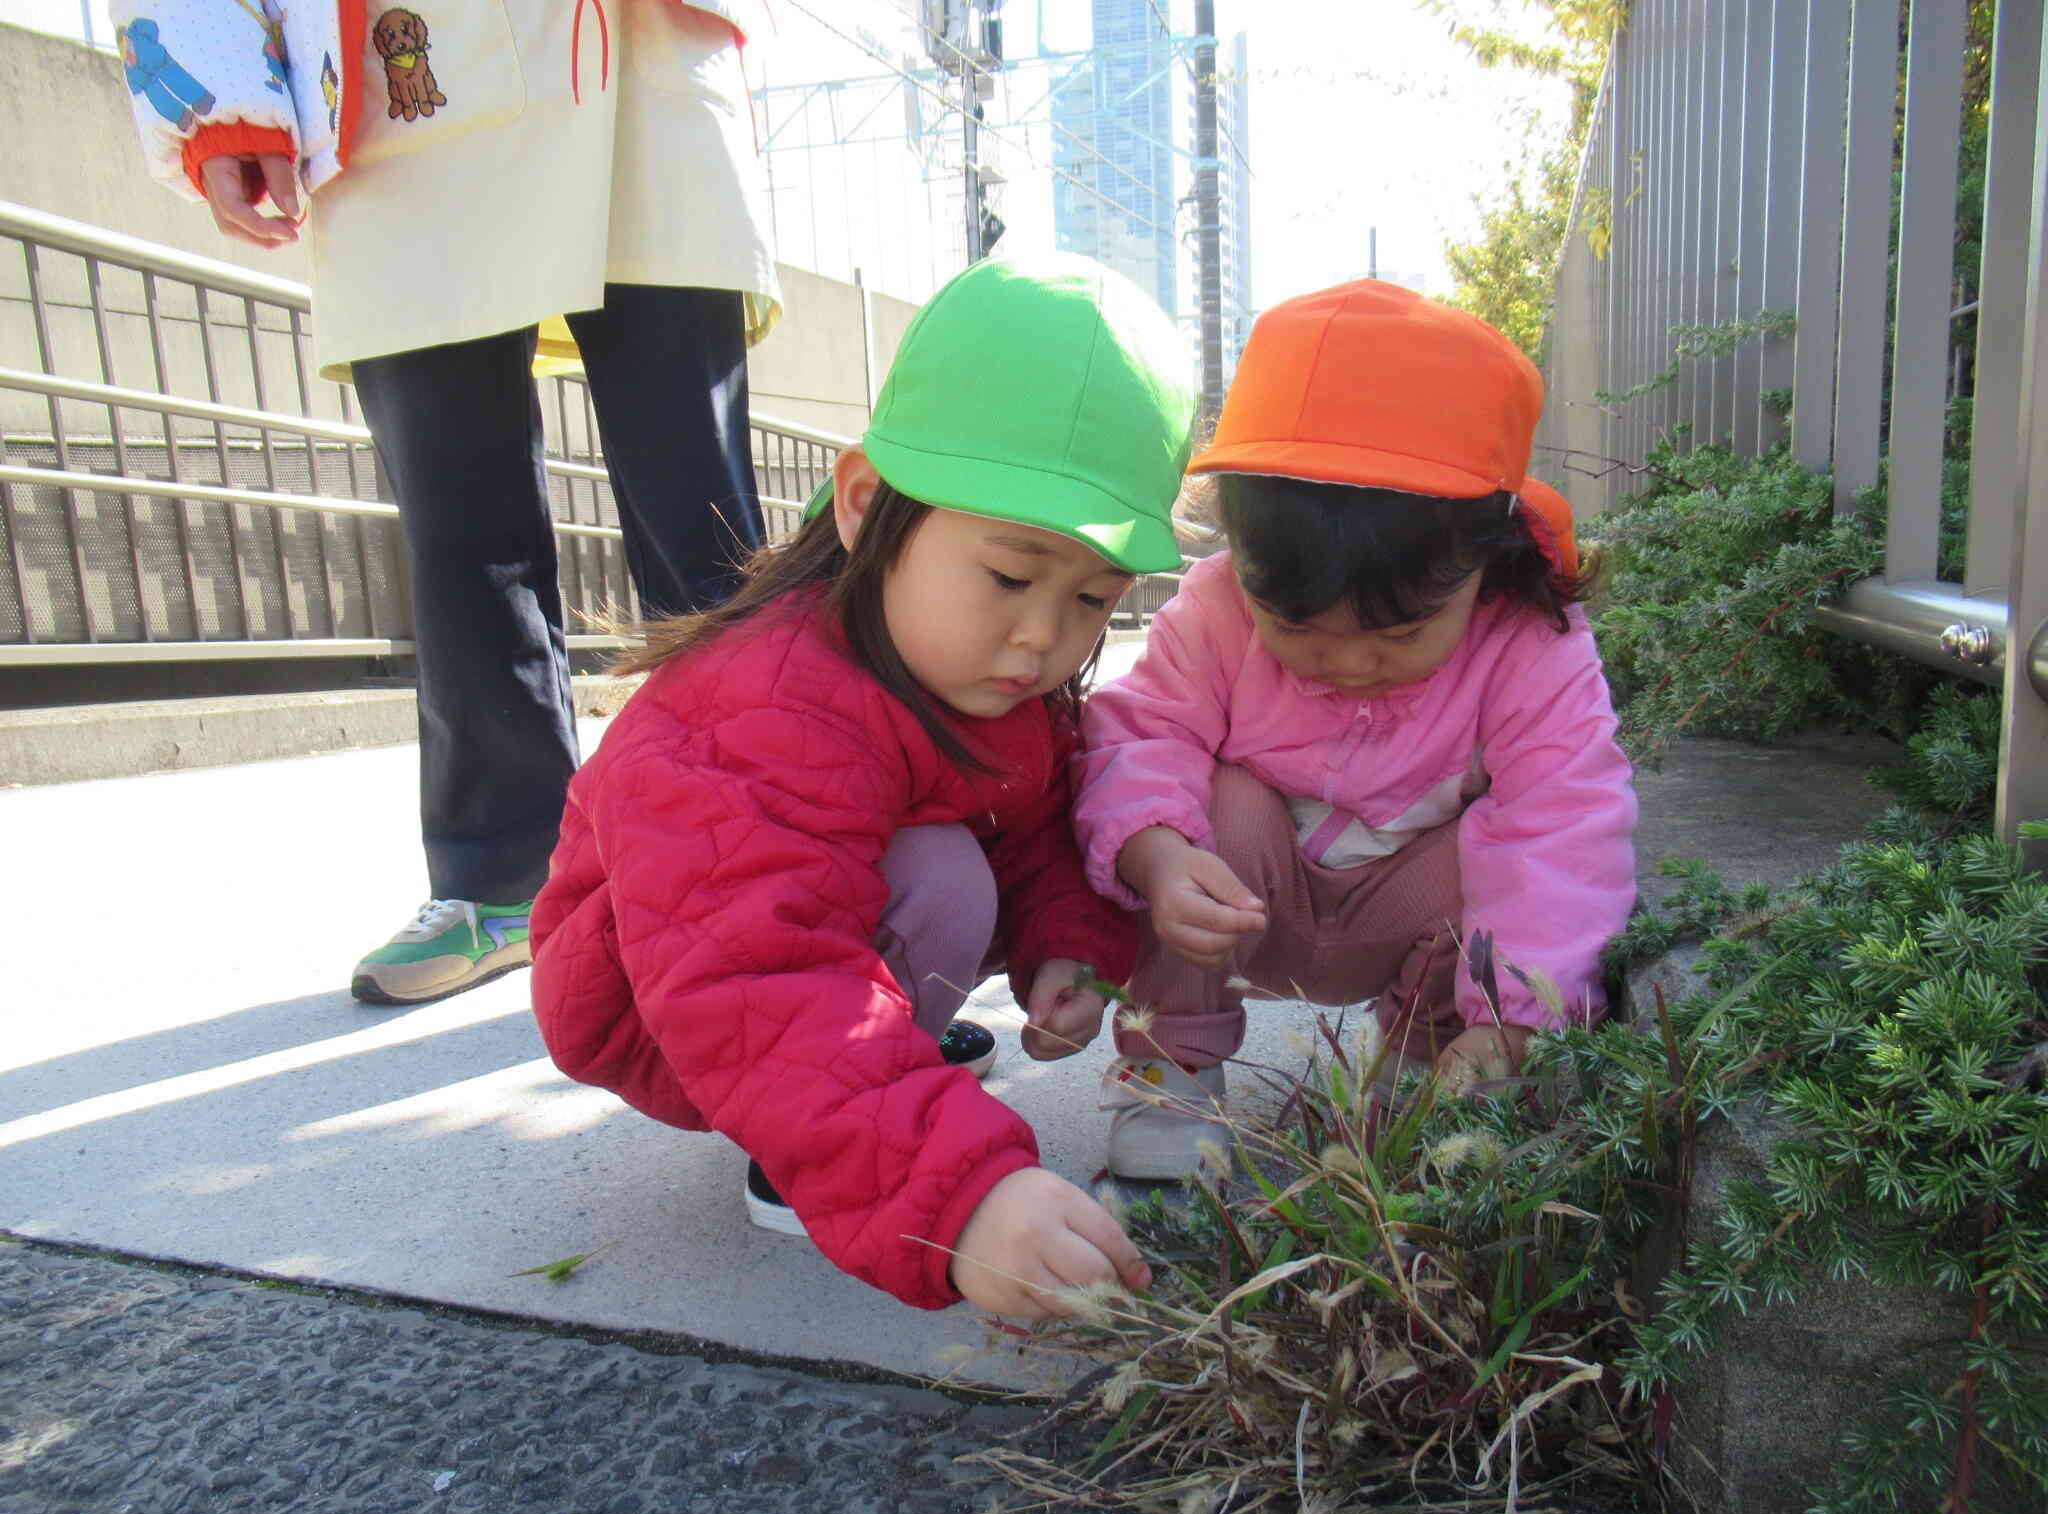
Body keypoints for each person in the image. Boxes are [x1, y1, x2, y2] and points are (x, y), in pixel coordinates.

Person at [529, 255, 1193, 1317]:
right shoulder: (766, 704)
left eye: (1093, 600)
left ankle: (881, 1078)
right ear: (865, 503)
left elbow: (1032, 824)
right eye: (1011, 576)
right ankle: (802, 1152)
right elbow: (754, 965)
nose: (1042, 636)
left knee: (962, 864)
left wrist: (1067, 940)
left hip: (762, 959)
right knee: (938, 874)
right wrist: (957, 1194)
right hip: (662, 998)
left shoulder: (977, 674)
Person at [109, 0, 781, 1003]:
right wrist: (220, 99)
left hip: (630, 48)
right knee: (459, 526)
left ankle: (769, 855)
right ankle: (502, 876)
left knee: (698, 507)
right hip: (390, 79)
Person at [1070, 279, 1639, 1180]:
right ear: (1241, 557)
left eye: (1400, 633)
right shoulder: (1213, 610)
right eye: (1292, 626)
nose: (1345, 664)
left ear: (1481, 565)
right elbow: (1145, 736)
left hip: (1413, 927)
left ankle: (1423, 1078)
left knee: (1492, 862)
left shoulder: (1531, 643)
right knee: (1210, 799)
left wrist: (1518, 1020)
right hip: (1234, 904)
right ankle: (1170, 1069)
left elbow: (1563, 828)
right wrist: (1156, 855)